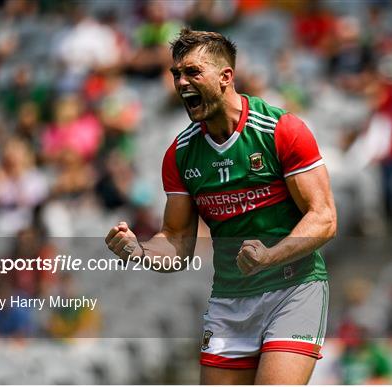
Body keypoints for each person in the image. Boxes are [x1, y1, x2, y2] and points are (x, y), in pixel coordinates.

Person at [105, 28, 336, 384]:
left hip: (295, 289)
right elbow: (178, 241)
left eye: (193, 72)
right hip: (231, 299)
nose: (181, 83)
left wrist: (271, 256)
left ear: (226, 76)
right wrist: (139, 249)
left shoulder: (281, 130)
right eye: (176, 74)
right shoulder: (180, 154)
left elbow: (323, 219)